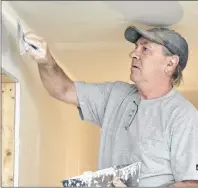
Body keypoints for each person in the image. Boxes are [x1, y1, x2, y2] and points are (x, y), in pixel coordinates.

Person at [25, 26, 198, 187]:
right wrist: (46, 61)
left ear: (170, 64)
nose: (134, 54)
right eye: (136, 47)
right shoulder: (116, 95)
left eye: (144, 49)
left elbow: (192, 184)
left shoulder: (182, 116)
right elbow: (63, 90)